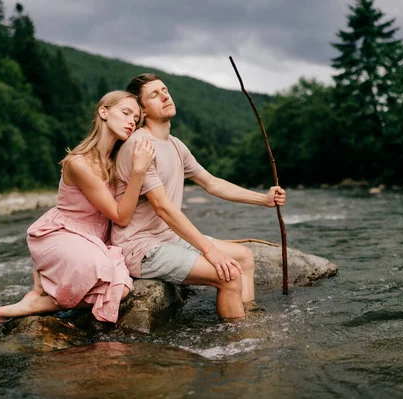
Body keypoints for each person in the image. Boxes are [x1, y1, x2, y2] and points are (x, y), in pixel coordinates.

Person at [112, 74, 286, 320]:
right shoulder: (139, 146)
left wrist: (263, 199)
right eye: (154, 95)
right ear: (141, 110)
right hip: (142, 248)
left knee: (244, 257)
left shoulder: (175, 145)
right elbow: (162, 208)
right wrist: (209, 251)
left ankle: (249, 320)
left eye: (165, 90)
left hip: (167, 239)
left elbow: (212, 183)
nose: (165, 96)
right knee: (229, 275)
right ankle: (238, 343)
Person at [0, 91, 155, 324]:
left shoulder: (118, 162)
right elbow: (120, 216)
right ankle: (38, 302)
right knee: (100, 268)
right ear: (103, 112)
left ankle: (42, 296)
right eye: (126, 113)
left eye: (136, 120)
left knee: (122, 289)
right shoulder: (79, 163)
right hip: (63, 235)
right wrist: (139, 172)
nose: (131, 122)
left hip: (95, 240)